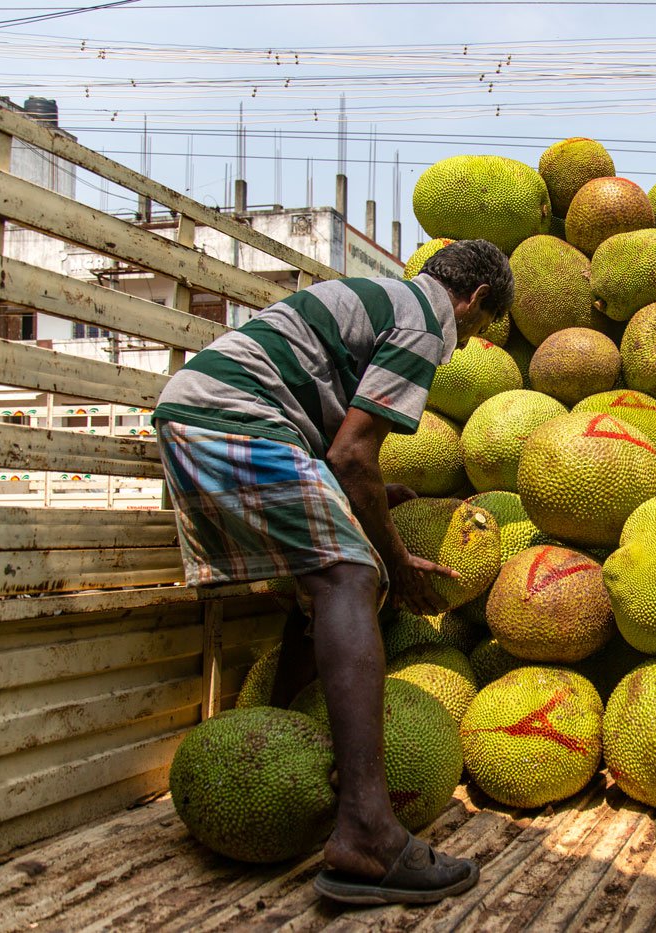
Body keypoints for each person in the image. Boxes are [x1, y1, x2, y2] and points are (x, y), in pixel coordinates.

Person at [151, 239, 514, 906]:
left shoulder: (381, 302)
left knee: (323, 585)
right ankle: (369, 832)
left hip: (214, 414)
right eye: (478, 329)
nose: (463, 347)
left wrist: (380, 494)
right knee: (354, 577)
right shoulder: (427, 317)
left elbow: (339, 449)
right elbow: (351, 455)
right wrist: (397, 564)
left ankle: (278, 741)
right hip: (234, 419)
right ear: (475, 298)